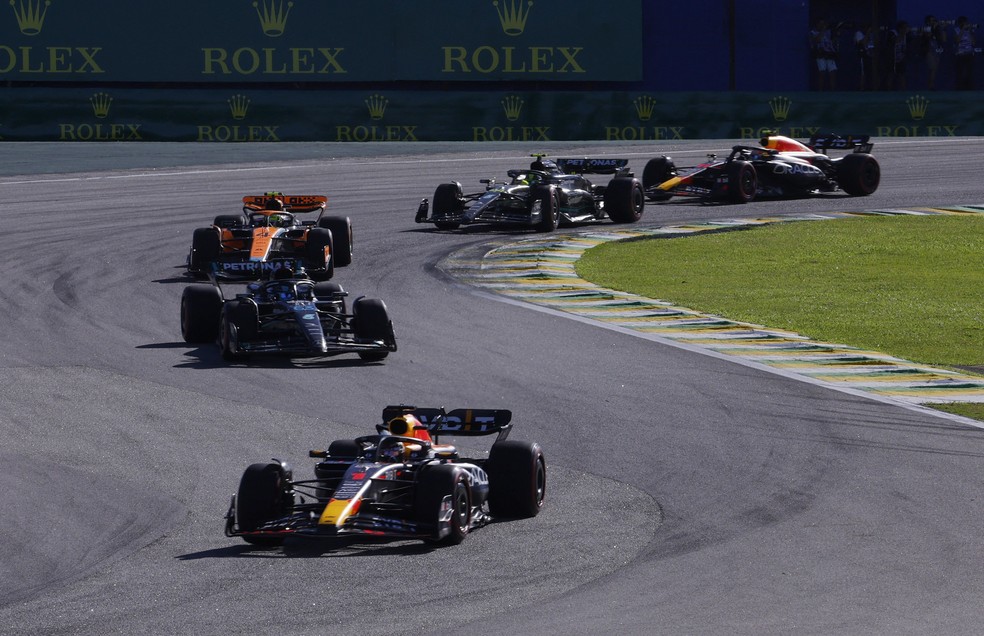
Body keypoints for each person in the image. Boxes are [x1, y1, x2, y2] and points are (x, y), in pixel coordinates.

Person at [810, 18, 839, 90]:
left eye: (823, 24)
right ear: (817, 24)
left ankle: (833, 92)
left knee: (833, 72)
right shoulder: (813, 32)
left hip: (829, 53)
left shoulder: (828, 32)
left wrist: (836, 36)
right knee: (822, 73)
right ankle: (821, 92)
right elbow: (818, 40)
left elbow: (832, 42)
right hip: (820, 54)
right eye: (820, 24)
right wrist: (823, 30)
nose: (822, 25)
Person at [921, 15, 947, 89]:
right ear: (928, 22)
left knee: (934, 69)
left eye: (935, 20)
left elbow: (944, 39)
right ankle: (930, 86)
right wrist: (934, 27)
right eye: (932, 20)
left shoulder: (937, 29)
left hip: (937, 51)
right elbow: (929, 36)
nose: (934, 22)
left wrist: (944, 29)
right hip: (929, 51)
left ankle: (931, 85)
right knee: (933, 68)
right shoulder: (925, 28)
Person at [884, 21, 911, 90]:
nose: (907, 29)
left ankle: (903, 90)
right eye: (905, 28)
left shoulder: (906, 35)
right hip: (892, 58)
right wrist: (903, 33)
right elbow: (895, 41)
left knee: (902, 74)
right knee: (891, 74)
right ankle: (888, 91)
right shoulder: (892, 33)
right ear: (900, 28)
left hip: (901, 58)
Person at [953, 16, 976, 90]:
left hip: (969, 54)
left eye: (967, 22)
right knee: (960, 72)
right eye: (965, 23)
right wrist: (962, 30)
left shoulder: (970, 31)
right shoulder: (956, 30)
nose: (966, 24)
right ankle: (959, 88)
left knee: (969, 72)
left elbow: (973, 43)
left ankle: (969, 88)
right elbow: (957, 41)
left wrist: (970, 32)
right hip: (960, 54)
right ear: (961, 23)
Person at [854, 23, 877, 90]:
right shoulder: (859, 33)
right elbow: (863, 42)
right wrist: (868, 32)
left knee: (869, 73)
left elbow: (871, 46)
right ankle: (861, 88)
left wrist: (872, 54)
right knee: (862, 72)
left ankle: (870, 87)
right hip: (861, 56)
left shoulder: (871, 35)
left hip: (869, 56)